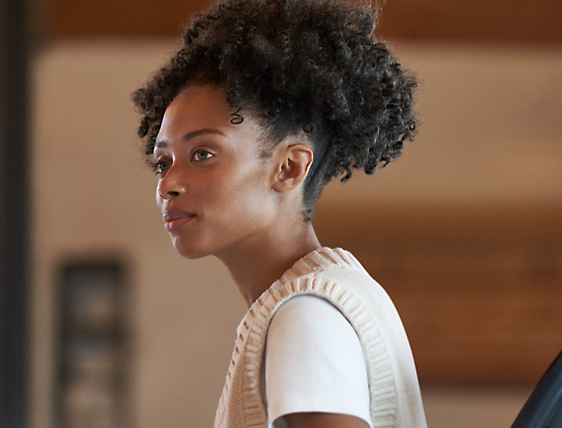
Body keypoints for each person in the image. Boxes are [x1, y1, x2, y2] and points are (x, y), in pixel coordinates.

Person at [132, 0, 427, 427]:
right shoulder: (320, 298)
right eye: (163, 162)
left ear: (289, 168)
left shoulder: (306, 317)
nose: (168, 184)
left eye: (202, 153)